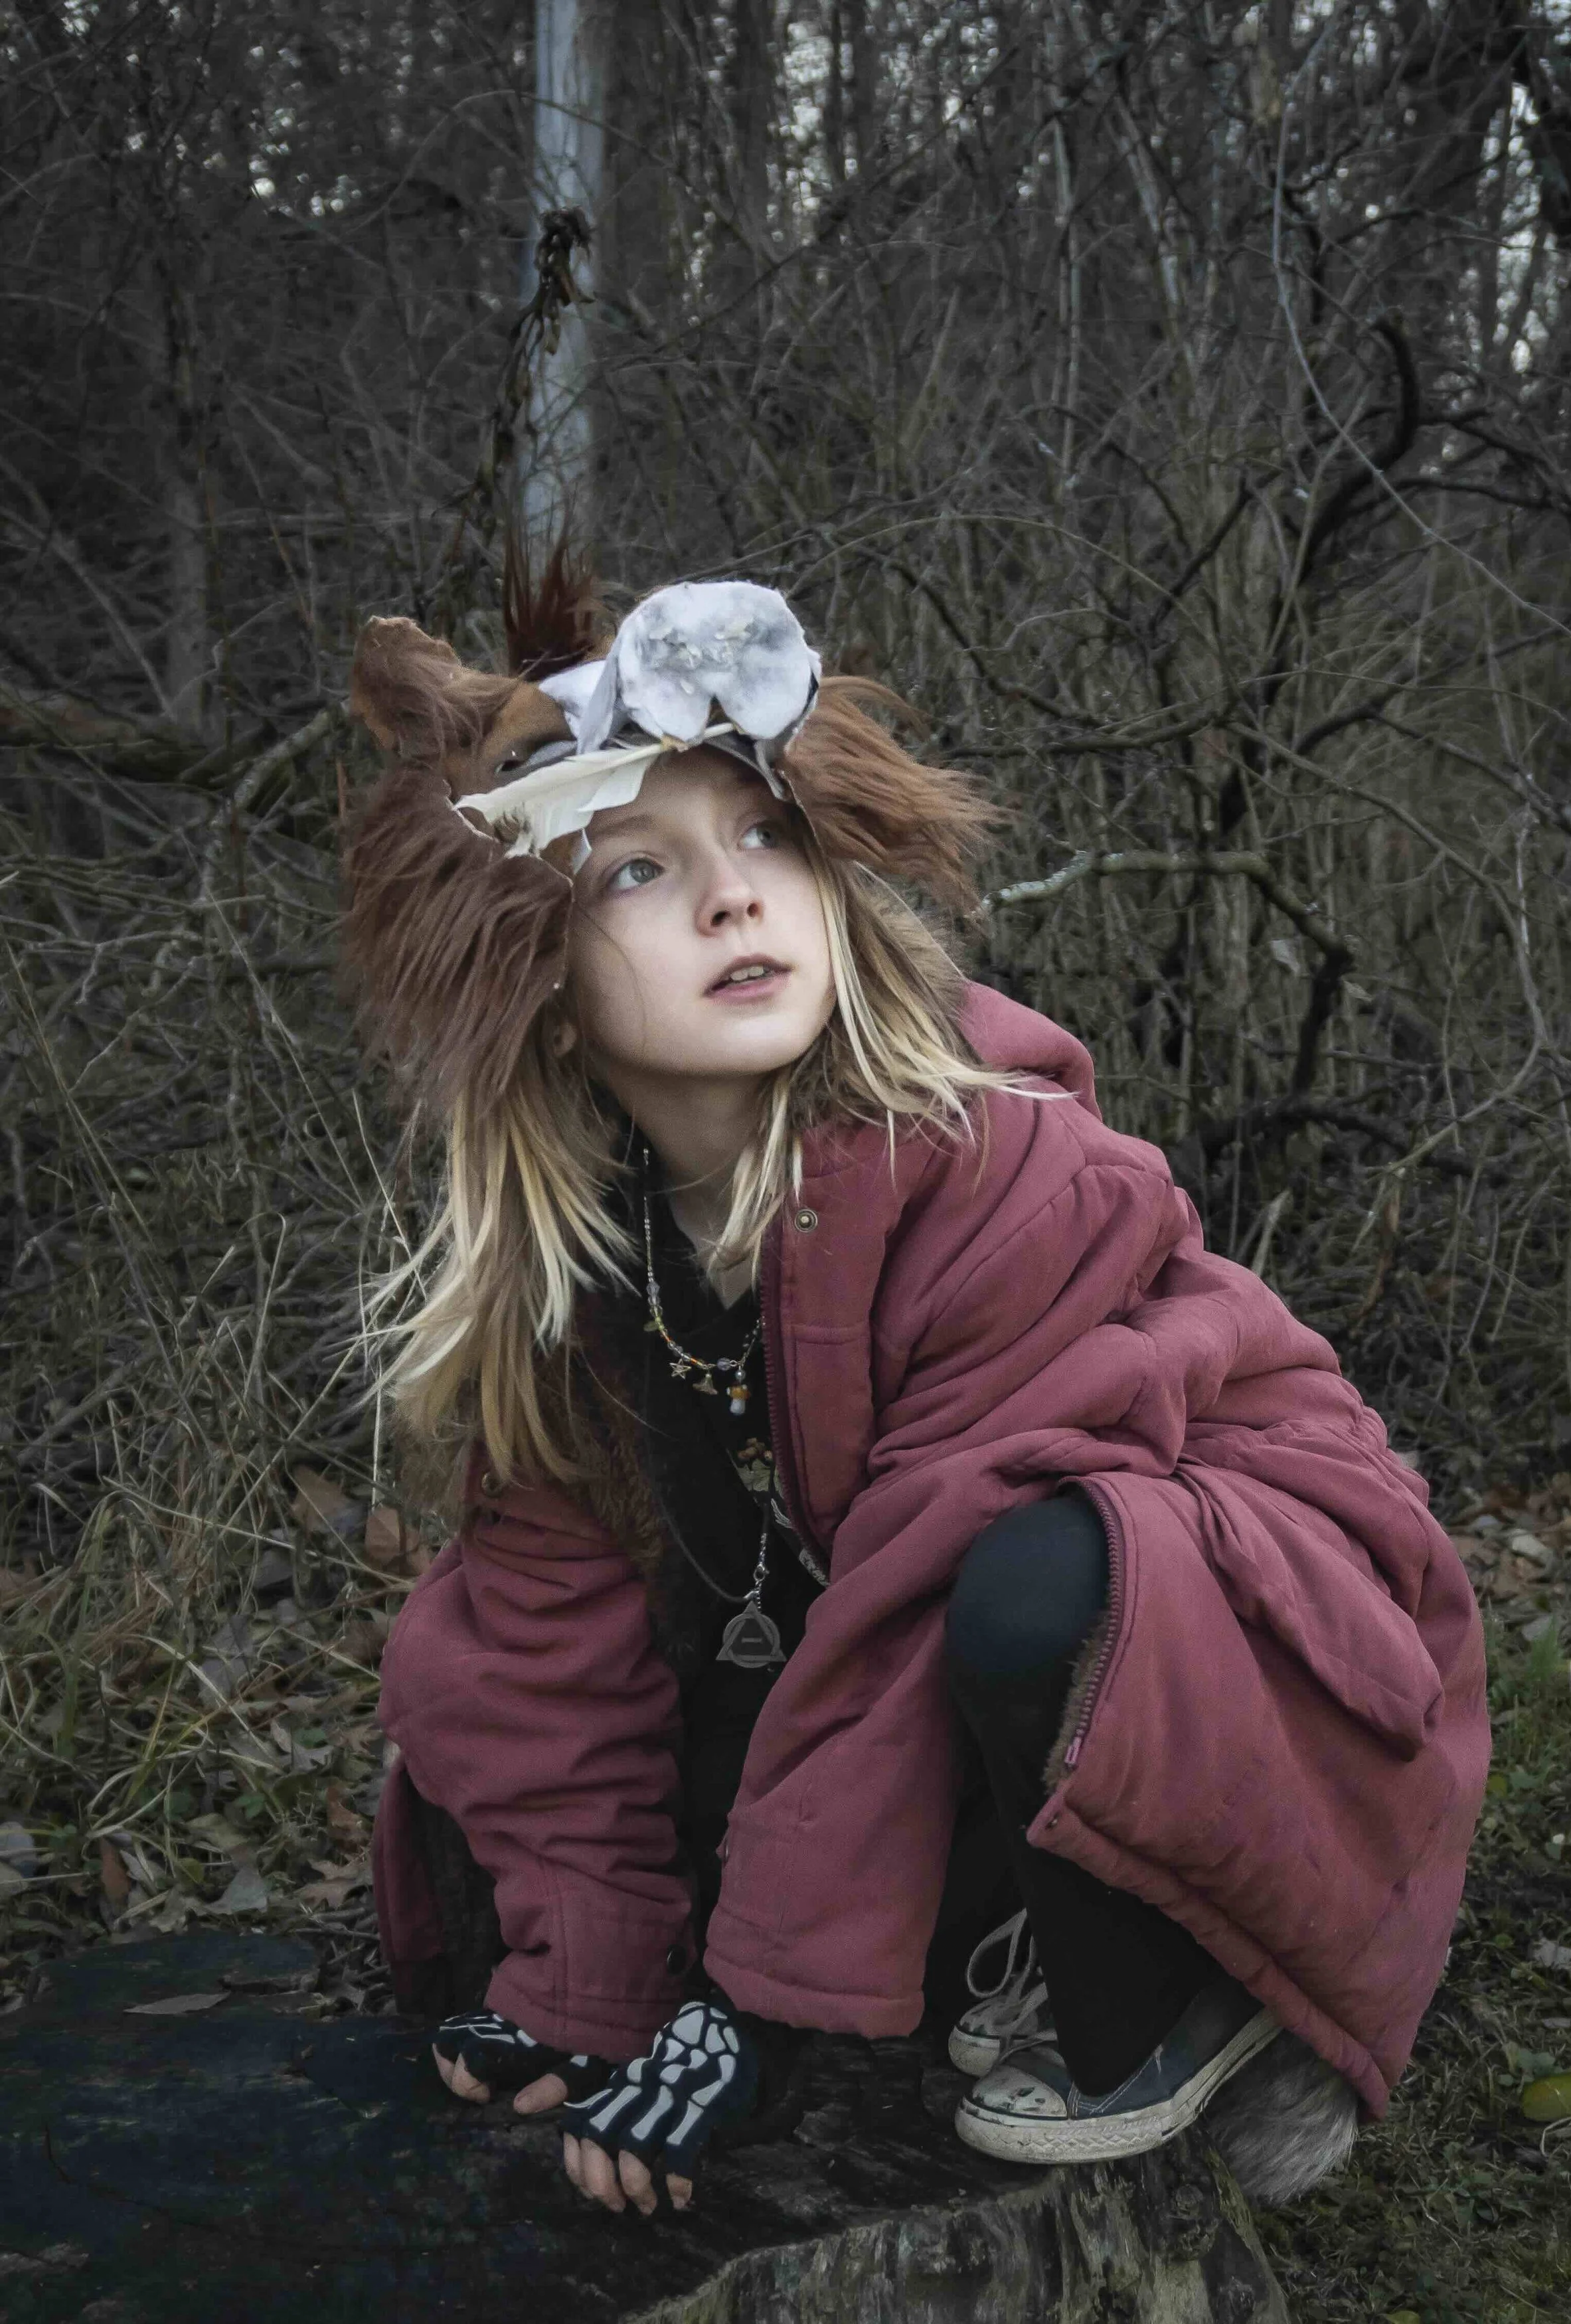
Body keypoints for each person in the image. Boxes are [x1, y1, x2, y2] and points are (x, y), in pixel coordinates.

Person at [343, 552, 1489, 2222]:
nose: (732, 898)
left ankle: (1180, 1988)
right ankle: (927, 1948)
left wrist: (750, 2015)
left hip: (1256, 1651)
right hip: (904, 1655)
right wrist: (591, 1991)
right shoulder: (575, 1278)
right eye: (636, 874)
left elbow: (912, 1586)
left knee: (1028, 1582)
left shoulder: (1002, 1165)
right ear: (533, 978)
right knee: (480, 1689)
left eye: (761, 837)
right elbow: (544, 1650)